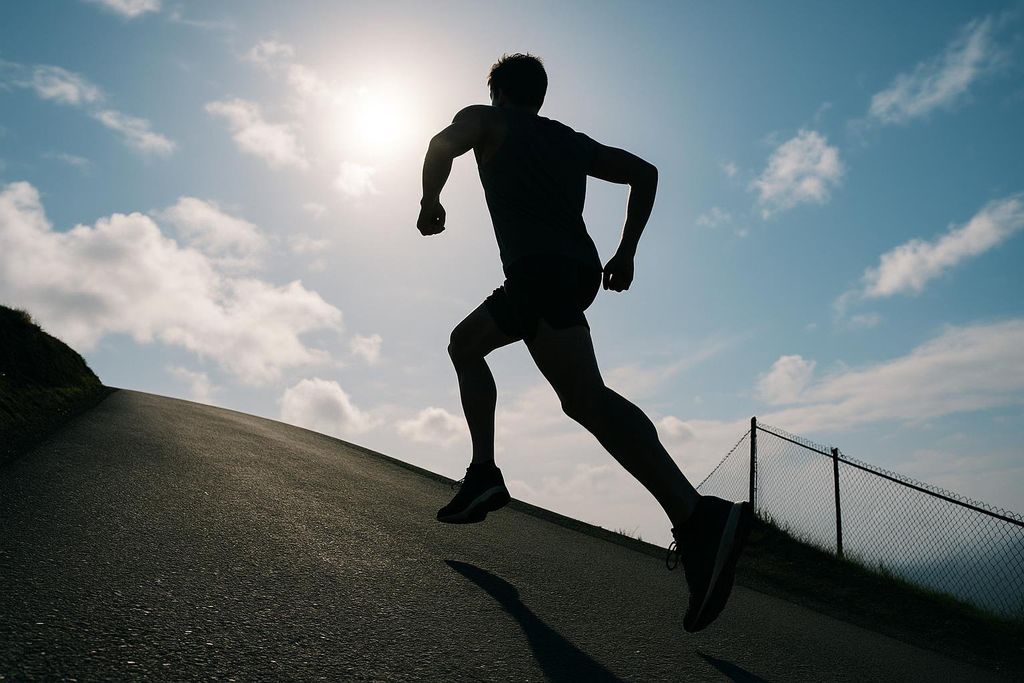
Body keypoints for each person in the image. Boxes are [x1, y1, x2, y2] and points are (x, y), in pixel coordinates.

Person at [416, 53, 752, 633]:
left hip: (539, 272)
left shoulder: (485, 119)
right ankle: (487, 474)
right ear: (540, 96)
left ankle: (696, 516)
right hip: (574, 273)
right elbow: (645, 172)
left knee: (580, 397)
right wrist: (627, 252)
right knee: (480, 351)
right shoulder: (570, 141)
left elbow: (440, 145)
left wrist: (430, 201)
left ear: (497, 92)